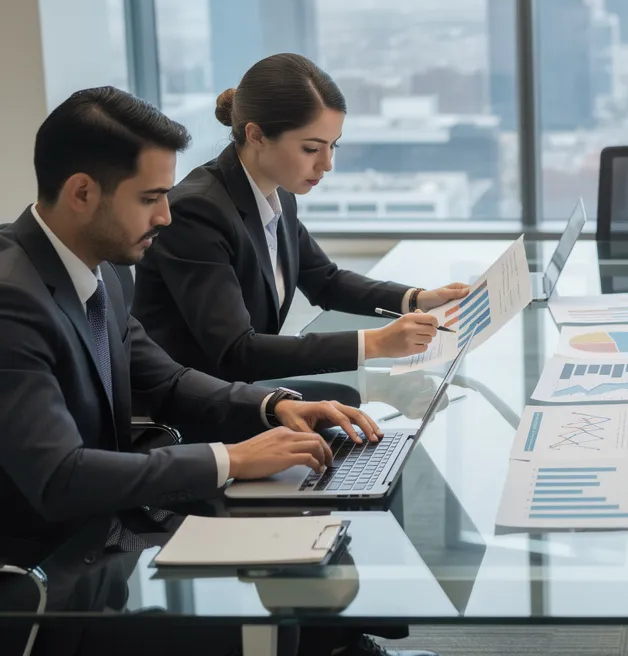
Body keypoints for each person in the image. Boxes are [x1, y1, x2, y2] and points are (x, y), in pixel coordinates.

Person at [0, 87, 432, 656]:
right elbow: (60, 478)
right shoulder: (12, 299)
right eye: (151, 197)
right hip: (45, 578)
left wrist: (275, 406)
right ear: (82, 192)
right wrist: (231, 458)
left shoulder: (101, 268)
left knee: (301, 526)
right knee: (272, 601)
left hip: (108, 522)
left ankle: (341, 647)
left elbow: (165, 378)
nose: (165, 215)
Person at [133, 53, 469, 391]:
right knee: (353, 403)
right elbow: (236, 351)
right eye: (311, 149)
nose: (327, 164)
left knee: (365, 402)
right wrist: (375, 343)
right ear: (256, 135)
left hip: (239, 391)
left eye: (333, 146)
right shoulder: (197, 211)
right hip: (188, 404)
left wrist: (417, 299)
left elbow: (325, 282)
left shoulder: (277, 193)